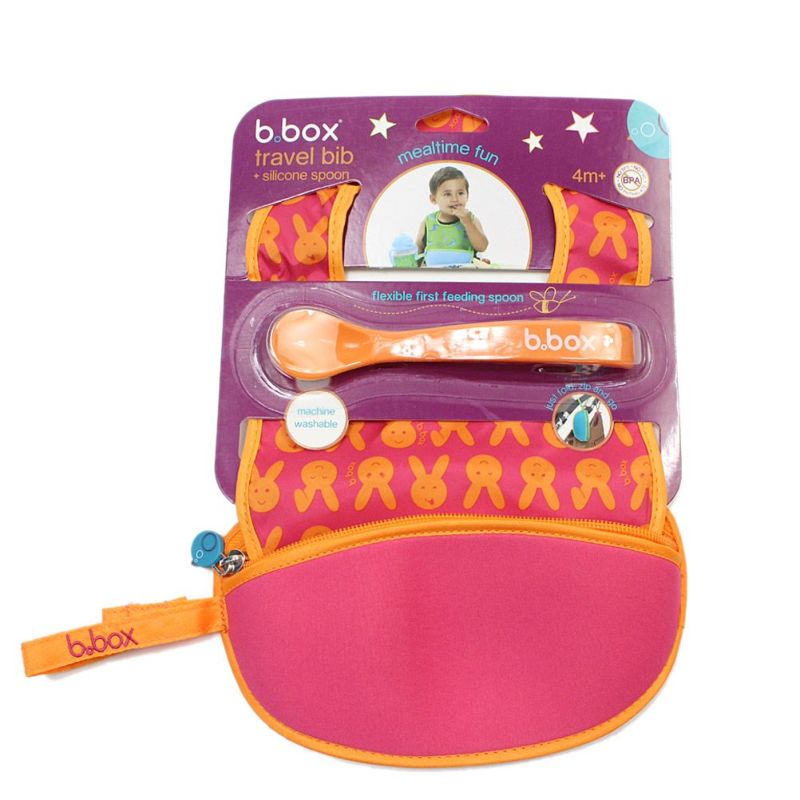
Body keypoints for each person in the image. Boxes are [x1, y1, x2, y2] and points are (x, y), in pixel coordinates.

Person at [415, 167, 488, 266]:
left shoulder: (471, 219)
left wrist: (468, 223)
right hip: (434, 273)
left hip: (465, 272)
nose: (455, 199)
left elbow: (482, 247)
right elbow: (419, 248)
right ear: (433, 199)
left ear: (467, 195)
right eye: (447, 194)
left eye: (460, 193)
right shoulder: (428, 221)